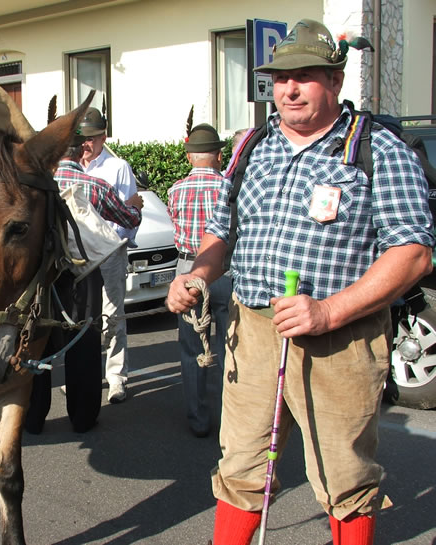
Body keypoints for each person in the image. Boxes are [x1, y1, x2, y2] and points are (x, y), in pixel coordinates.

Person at [166, 19, 434, 545]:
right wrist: (198, 275)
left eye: (305, 76)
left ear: (334, 82)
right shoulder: (249, 147)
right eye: (280, 78)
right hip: (254, 330)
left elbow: (414, 254)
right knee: (240, 466)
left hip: (341, 341)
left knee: (344, 477)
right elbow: (222, 231)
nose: (288, 89)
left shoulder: (379, 149)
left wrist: (328, 312)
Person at [25, 136, 143, 432]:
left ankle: (34, 418)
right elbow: (127, 218)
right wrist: (135, 205)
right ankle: (82, 417)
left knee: (38, 343)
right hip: (81, 274)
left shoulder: (36, 183)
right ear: (81, 155)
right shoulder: (96, 186)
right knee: (83, 342)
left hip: (41, 276)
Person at [167, 123, 232, 438]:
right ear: (220, 155)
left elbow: (175, 223)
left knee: (192, 348)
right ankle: (231, 420)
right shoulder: (230, 187)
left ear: (190, 156)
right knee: (230, 347)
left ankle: (198, 419)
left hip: (188, 270)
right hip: (228, 269)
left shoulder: (175, 190)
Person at [78, 107, 140, 403]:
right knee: (80, 316)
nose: (86, 144)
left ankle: (116, 377)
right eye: (82, 139)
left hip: (109, 251)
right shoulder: (72, 166)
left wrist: (115, 244)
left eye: (91, 138)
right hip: (78, 254)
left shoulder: (118, 168)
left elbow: (129, 213)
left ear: (103, 137)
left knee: (113, 314)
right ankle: (86, 374)